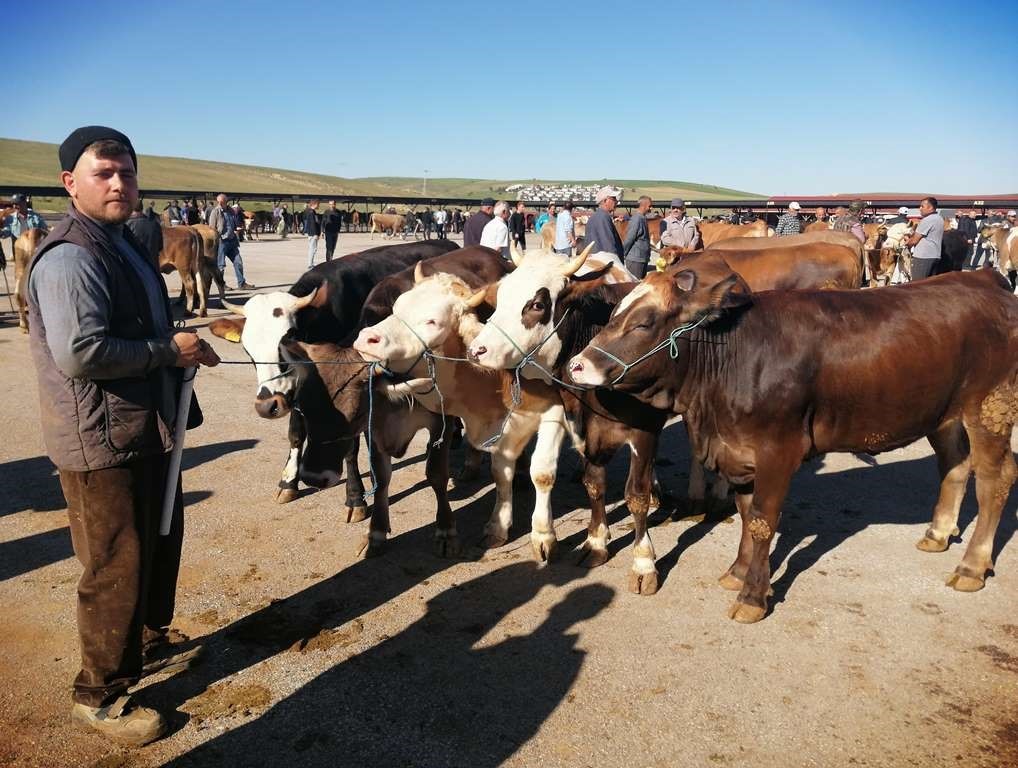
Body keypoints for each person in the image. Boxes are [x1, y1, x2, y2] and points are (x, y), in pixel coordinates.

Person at [27, 126, 220, 747]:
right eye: (104, 174)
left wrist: (182, 347)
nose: (119, 184)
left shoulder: (123, 242)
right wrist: (167, 350)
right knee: (116, 562)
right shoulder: (72, 257)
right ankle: (99, 694)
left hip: (142, 425)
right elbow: (81, 353)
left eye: (127, 173)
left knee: (160, 538)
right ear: (70, 183)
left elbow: (145, 325)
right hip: (99, 440)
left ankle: (146, 636)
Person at [208, 194, 254, 289]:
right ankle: (221, 285)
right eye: (219, 201)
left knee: (238, 262)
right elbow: (211, 227)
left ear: (225, 201)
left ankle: (242, 283)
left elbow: (234, 222)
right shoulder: (215, 212)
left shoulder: (231, 211)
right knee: (221, 265)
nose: (220, 203)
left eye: (222, 201)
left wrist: (237, 228)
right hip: (221, 241)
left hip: (232, 240)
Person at [2, 192, 50, 267]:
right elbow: (6, 233)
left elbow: (45, 233)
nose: (14, 206)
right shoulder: (10, 219)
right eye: (13, 204)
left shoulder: (36, 217)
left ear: (24, 203)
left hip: (34, 253)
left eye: (17, 204)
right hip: (19, 253)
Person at [904, 196, 944, 281]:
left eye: (922, 206)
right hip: (935, 256)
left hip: (923, 257)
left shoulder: (927, 220)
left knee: (917, 284)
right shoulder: (939, 218)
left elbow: (914, 240)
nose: (920, 208)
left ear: (930, 207)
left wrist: (907, 243)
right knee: (929, 284)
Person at [584, 186, 625, 260]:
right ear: (605, 200)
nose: (616, 202)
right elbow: (608, 246)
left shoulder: (595, 217)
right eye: (613, 199)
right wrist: (615, 262)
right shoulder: (603, 217)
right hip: (604, 262)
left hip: (596, 261)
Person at [124, 200, 163, 267]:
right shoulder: (155, 224)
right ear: (142, 208)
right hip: (152, 265)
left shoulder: (126, 225)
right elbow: (160, 246)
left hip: (134, 265)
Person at [622, 195, 653, 278]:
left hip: (641, 259)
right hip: (635, 260)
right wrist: (622, 254)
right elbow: (629, 239)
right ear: (643, 205)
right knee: (635, 284)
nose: (651, 208)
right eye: (650, 206)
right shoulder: (637, 219)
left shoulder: (642, 218)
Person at [302, 199, 322, 268]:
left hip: (312, 233)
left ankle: (311, 263)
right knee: (313, 249)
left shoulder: (312, 211)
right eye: (318, 204)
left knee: (313, 248)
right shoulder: (311, 212)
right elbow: (312, 224)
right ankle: (310, 264)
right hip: (313, 233)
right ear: (315, 204)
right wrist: (315, 233)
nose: (319, 206)